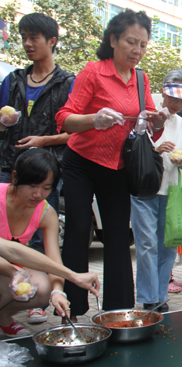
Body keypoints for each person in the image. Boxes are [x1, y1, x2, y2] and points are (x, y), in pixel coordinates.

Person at [55, 9, 166, 321]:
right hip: (81, 163)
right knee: (78, 231)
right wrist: (95, 118)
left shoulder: (142, 79)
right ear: (113, 39)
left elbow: (150, 129)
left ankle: (119, 311)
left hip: (118, 166)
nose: (137, 50)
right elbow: (64, 119)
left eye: (143, 45)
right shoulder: (93, 72)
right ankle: (73, 310)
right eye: (131, 42)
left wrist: (155, 121)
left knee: (118, 235)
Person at [0, 13, 74, 325]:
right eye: (24, 37)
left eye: (35, 38)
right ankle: (13, 293)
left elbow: (76, 130)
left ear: (52, 41)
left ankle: (32, 301)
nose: (28, 44)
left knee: (39, 236)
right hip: (8, 167)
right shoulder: (13, 79)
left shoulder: (67, 82)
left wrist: (45, 140)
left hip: (47, 170)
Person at [130, 68, 182, 312]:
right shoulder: (145, 117)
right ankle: (149, 297)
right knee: (146, 245)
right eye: (173, 97)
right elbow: (134, 149)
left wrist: (181, 161)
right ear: (163, 93)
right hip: (145, 191)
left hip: (172, 192)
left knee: (168, 246)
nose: (177, 103)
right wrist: (156, 151)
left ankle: (160, 297)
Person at [0, 149, 73, 337]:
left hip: (9, 270)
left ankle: (4, 316)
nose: (38, 194)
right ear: (15, 176)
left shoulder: (46, 212)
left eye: (47, 188)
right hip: (5, 269)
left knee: (43, 286)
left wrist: (58, 293)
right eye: (32, 185)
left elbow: (55, 262)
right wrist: (13, 273)